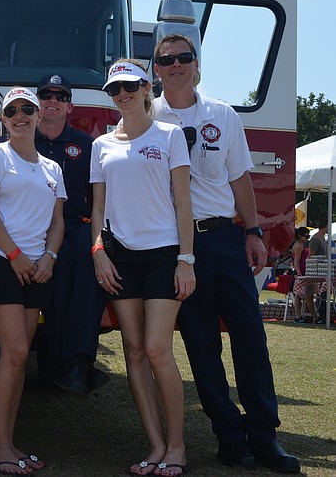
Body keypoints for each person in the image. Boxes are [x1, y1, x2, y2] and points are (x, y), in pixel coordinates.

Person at [152, 33, 300, 473]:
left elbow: (239, 179)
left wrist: (253, 231)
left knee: (251, 338)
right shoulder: (146, 117)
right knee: (200, 344)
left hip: (224, 239)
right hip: (178, 245)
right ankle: (229, 437)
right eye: (166, 59)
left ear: (197, 64)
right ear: (155, 68)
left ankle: (265, 435)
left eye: (184, 57)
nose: (176, 64)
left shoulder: (223, 114)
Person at [90, 60, 194, 477]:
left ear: (146, 87)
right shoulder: (101, 145)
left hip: (164, 254)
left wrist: (186, 259)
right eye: (115, 89)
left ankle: (178, 446)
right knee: (132, 351)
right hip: (118, 256)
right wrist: (97, 250)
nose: (122, 94)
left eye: (130, 86)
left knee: (156, 349)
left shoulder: (170, 135)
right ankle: (154, 445)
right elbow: (98, 207)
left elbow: (184, 202)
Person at [0, 87, 65, 475]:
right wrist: (15, 255)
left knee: (20, 355)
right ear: (4, 120)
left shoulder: (52, 168)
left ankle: (7, 442)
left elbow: (58, 222)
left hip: (35, 265)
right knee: (15, 352)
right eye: (13, 111)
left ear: (39, 116)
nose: (21, 115)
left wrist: (50, 257)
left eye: (28, 109)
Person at [32, 72, 108, 397]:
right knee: (58, 272)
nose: (52, 100)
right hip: (32, 224)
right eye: (47, 95)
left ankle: (78, 361)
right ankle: (56, 364)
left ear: (69, 106)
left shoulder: (86, 145)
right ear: (37, 103)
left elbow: (99, 196)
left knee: (92, 268)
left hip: (74, 222)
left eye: (60, 96)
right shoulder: (21, 139)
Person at [289, 227, 315, 323]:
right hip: (300, 272)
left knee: (299, 295)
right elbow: (297, 260)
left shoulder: (299, 244)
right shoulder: (299, 245)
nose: (308, 238)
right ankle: (313, 316)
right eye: (306, 236)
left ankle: (298, 316)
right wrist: (299, 272)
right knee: (307, 295)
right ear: (300, 236)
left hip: (301, 272)